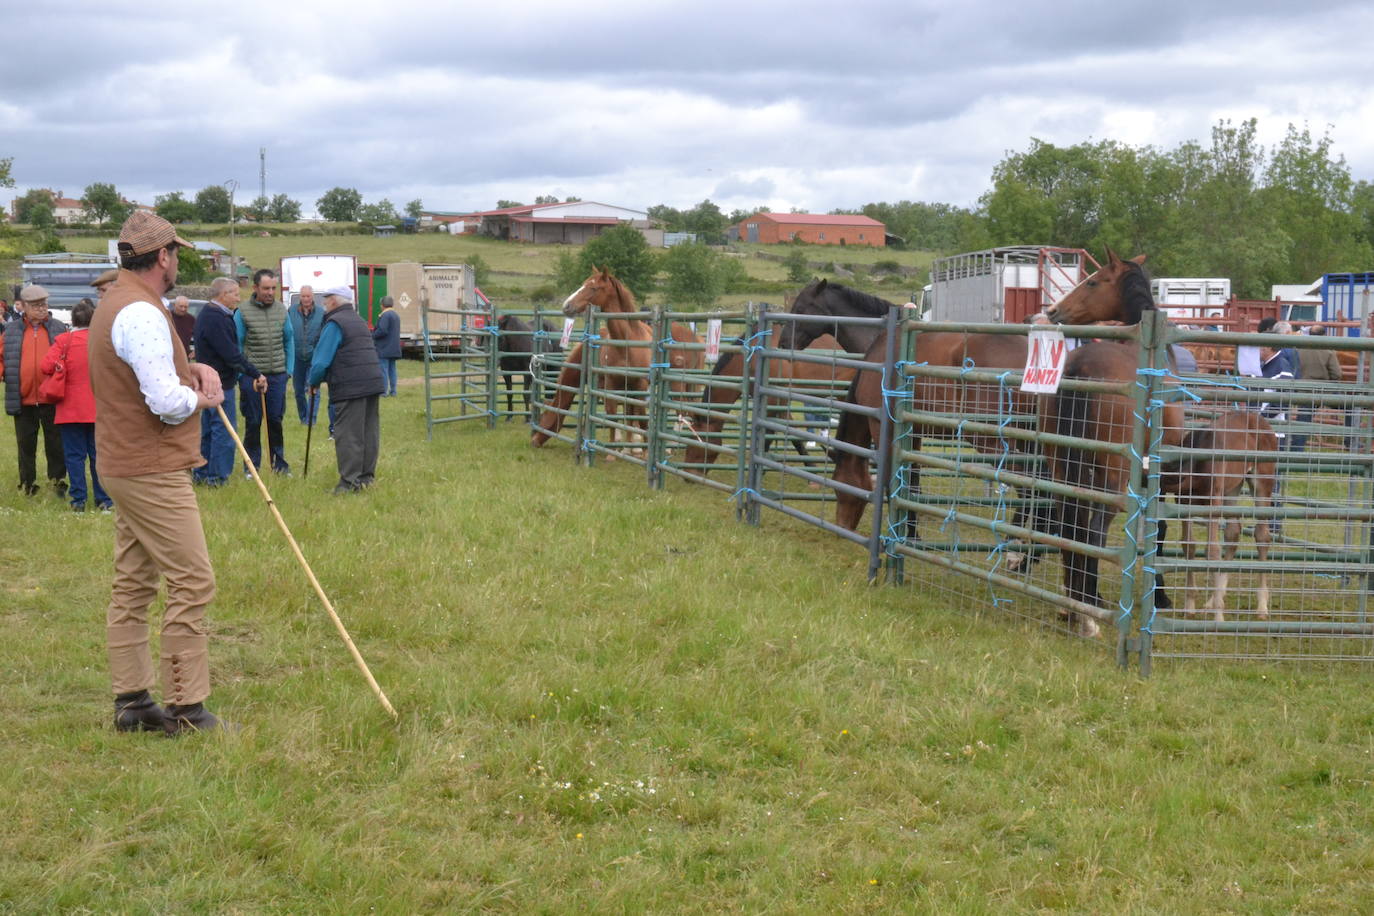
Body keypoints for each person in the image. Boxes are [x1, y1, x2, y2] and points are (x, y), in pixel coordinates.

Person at [88, 210, 229, 734]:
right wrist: (203, 396)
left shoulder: (119, 302)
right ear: (163, 256)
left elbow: (145, 377)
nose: (177, 264)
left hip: (126, 462)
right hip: (150, 467)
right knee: (193, 580)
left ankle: (132, 704)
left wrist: (185, 369)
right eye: (176, 254)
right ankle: (186, 708)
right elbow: (165, 403)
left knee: (134, 581)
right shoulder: (141, 312)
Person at [308, 286, 384, 494]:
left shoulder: (335, 323)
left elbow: (321, 361)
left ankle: (349, 483)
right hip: (371, 381)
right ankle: (366, 478)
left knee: (348, 435)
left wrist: (313, 382)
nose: (324, 303)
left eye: (326, 299)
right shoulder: (358, 320)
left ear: (334, 301)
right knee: (368, 432)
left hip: (350, 383)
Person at [192, 277, 263, 486]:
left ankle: (203, 473)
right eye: (234, 294)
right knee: (223, 431)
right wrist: (255, 373)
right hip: (220, 384)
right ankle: (217, 478)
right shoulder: (216, 318)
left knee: (209, 430)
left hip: (209, 383)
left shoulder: (208, 313)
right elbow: (231, 355)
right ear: (223, 295)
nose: (238, 298)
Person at [41, 298, 110, 511]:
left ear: (73, 319)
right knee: (98, 456)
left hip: (69, 408)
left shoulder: (64, 340)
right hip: (99, 407)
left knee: (74, 457)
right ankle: (104, 500)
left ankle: (78, 500)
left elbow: (45, 366)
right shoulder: (103, 341)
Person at [1, 285, 69, 496]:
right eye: (37, 305)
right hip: (23, 398)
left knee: (56, 444)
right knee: (25, 446)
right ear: (25, 307)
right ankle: (27, 485)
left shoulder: (58, 328)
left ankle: (57, 484)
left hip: (52, 398)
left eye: (44, 304)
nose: (42, 309)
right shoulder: (11, 330)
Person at [235, 269, 294, 477]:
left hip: (277, 375)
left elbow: (289, 340)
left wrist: (289, 371)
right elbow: (237, 346)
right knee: (253, 421)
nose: (270, 292)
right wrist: (243, 376)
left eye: (273, 288)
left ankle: (280, 465)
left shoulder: (282, 310)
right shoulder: (242, 312)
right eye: (266, 288)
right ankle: (251, 468)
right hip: (251, 377)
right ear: (255, 288)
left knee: (275, 420)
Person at [1292, 326, 1345, 451]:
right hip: (1325, 391)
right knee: (1351, 407)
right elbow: (1337, 374)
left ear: (1309, 334)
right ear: (1324, 335)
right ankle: (1351, 441)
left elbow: (1294, 369)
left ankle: (1296, 450)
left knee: (1303, 421)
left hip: (1304, 391)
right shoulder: (1328, 350)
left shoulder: (1300, 349)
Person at [287, 284, 325, 423]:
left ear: (312, 296)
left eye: (308, 296)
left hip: (314, 357)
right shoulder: (291, 311)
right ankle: (303, 416)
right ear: (299, 297)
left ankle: (311, 419)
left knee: (314, 388)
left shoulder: (321, 313)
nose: (305, 299)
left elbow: (324, 333)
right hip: (297, 357)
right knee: (298, 391)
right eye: (303, 296)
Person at [372, 295, 401, 396]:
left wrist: (373, 335)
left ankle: (383, 392)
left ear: (383, 305)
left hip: (384, 348)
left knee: (383, 370)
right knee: (392, 370)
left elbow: (382, 330)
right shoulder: (396, 315)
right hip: (394, 348)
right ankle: (393, 391)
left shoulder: (385, 315)